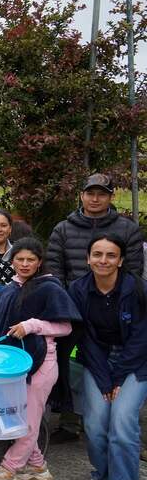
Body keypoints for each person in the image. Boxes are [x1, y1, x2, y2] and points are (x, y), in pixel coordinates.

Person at [0, 237, 80, 480]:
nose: (24, 264)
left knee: (28, 420)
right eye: (19, 259)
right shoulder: (8, 289)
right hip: (11, 367)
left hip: (41, 365)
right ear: (11, 262)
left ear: (39, 262)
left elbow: (66, 326)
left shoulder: (49, 288)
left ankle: (9, 469)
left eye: (30, 259)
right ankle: (36, 465)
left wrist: (32, 325)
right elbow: (4, 327)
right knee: (21, 415)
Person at [46, 173, 144, 444]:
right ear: (81, 195)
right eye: (91, 193)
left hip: (114, 310)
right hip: (73, 309)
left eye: (102, 193)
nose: (95, 198)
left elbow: (133, 272)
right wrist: (66, 305)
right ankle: (69, 419)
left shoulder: (127, 229)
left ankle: (116, 420)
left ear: (111, 197)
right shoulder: (63, 229)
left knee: (116, 361)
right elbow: (55, 271)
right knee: (71, 363)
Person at [69, 235, 147, 480]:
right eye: (98, 254)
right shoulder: (78, 289)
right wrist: (104, 378)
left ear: (121, 260)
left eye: (111, 255)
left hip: (135, 363)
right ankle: (101, 474)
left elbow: (141, 338)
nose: (104, 260)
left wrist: (117, 378)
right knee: (95, 421)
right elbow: (85, 337)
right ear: (88, 258)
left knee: (123, 421)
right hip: (97, 360)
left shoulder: (137, 289)